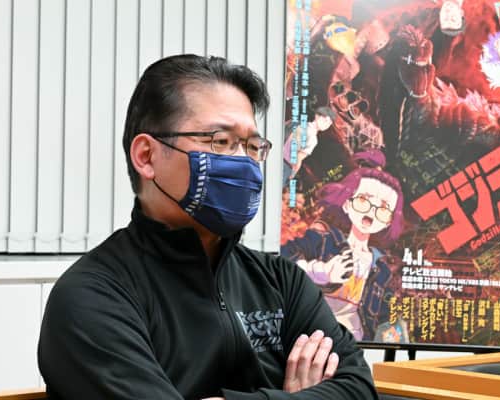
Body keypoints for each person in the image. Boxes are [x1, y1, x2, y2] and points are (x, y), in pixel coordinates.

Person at [37, 54, 378, 400]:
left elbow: (359, 389)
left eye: (252, 146)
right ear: (146, 156)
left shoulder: (280, 281)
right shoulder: (94, 297)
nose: (243, 161)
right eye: (220, 141)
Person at [281, 150, 404, 341]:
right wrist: (320, 272)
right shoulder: (325, 240)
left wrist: (394, 335)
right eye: (363, 201)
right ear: (346, 203)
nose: (371, 213)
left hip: (356, 342)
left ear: (389, 221)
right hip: (310, 334)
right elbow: (283, 257)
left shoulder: (382, 270)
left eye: (382, 209)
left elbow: (385, 317)